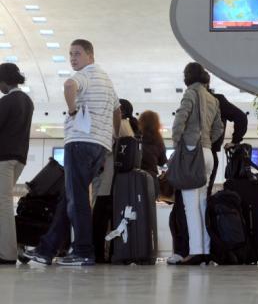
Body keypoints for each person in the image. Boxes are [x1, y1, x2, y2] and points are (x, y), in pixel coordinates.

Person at [21, 39, 120, 266]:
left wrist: (73, 109)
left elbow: (68, 86)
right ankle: (46, 250)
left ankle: (83, 251)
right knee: (69, 198)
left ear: (90, 56)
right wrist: (113, 135)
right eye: (70, 54)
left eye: (77, 54)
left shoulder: (85, 74)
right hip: (99, 146)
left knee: (77, 201)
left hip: (80, 142)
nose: (73, 58)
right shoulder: (106, 80)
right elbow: (117, 110)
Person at [170, 62, 223, 265]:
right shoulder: (213, 99)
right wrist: (206, 139)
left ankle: (195, 252)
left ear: (188, 77)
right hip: (208, 152)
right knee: (201, 204)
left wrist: (177, 143)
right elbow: (219, 128)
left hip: (193, 153)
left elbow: (179, 120)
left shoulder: (190, 93)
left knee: (190, 206)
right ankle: (206, 251)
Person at [91, 98, 139, 263]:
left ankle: (97, 254)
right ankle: (111, 253)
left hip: (108, 182)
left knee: (98, 220)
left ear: (121, 111)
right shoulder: (131, 128)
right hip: (121, 185)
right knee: (115, 220)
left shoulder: (119, 126)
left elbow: (105, 151)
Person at [0, 63, 34, 265]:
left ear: (5, 81)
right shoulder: (27, 101)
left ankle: (7, 253)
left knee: (3, 205)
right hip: (19, 158)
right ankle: (9, 248)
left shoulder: (7, 101)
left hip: (3, 159)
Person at [138, 110, 168, 187]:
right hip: (151, 178)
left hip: (135, 177)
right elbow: (162, 161)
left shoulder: (136, 137)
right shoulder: (158, 140)